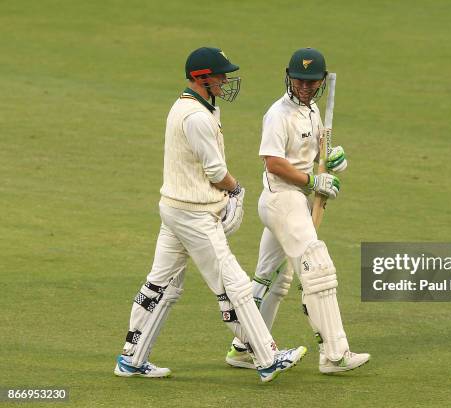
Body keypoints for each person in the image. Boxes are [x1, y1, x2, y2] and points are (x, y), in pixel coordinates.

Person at [113, 46, 306, 382]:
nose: (226, 80)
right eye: (221, 75)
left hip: (175, 208)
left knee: (162, 285)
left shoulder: (193, 107)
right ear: (202, 78)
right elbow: (216, 171)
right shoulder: (197, 117)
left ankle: (131, 358)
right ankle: (266, 357)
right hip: (194, 215)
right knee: (235, 286)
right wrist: (235, 190)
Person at [225, 48, 369, 373]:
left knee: (272, 280)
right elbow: (274, 163)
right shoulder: (278, 114)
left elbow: (319, 149)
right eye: (299, 80)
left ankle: (244, 346)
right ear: (289, 76)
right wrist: (312, 181)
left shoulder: (312, 109)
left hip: (295, 200)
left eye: (311, 81)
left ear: (320, 82)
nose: (305, 87)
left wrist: (333, 158)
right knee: (317, 270)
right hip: (283, 200)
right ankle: (335, 354)